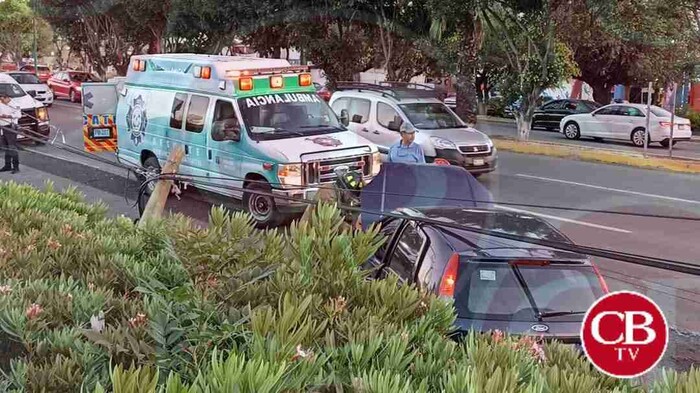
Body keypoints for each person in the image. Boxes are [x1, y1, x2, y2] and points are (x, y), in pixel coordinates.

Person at [0, 93, 22, 173]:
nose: (2, 101)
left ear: (7, 98)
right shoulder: (1, 103)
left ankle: (16, 167)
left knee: (12, 147)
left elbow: (19, 115)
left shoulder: (14, 104)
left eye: (3, 99)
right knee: (6, 147)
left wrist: (8, 116)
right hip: (2, 127)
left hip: (10, 127)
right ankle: (7, 165)